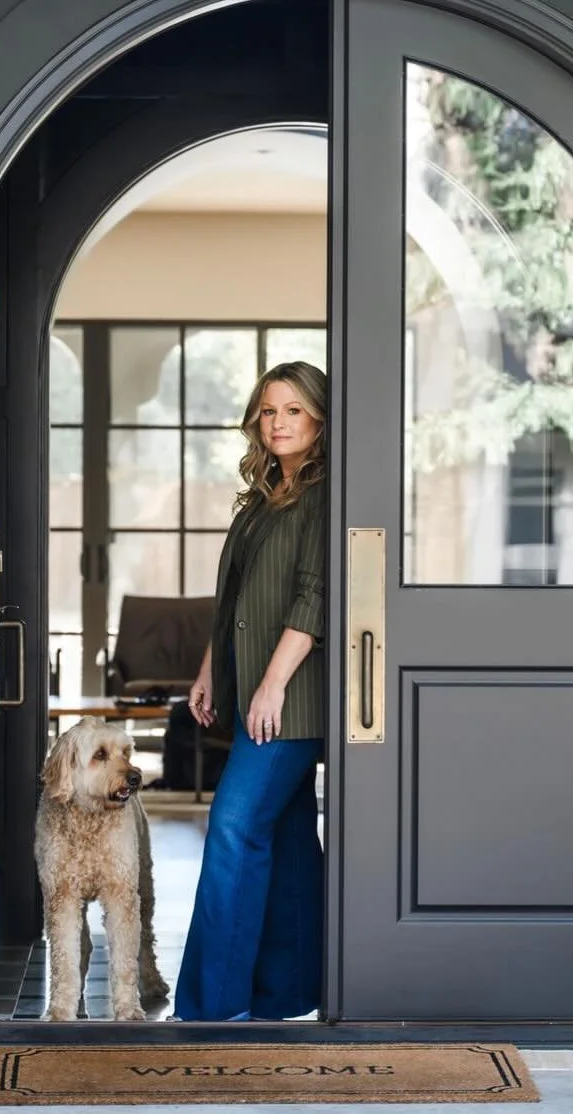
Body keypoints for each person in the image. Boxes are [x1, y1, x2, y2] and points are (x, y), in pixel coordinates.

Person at [173, 360, 328, 1022]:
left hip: (291, 700)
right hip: (253, 693)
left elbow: (314, 598)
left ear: (319, 418)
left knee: (234, 830)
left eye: (293, 410)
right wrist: (212, 669)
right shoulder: (265, 497)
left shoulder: (325, 494)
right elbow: (237, 601)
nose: (278, 423)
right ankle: (288, 995)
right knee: (287, 838)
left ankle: (214, 1009)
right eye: (269, 410)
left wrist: (270, 687)